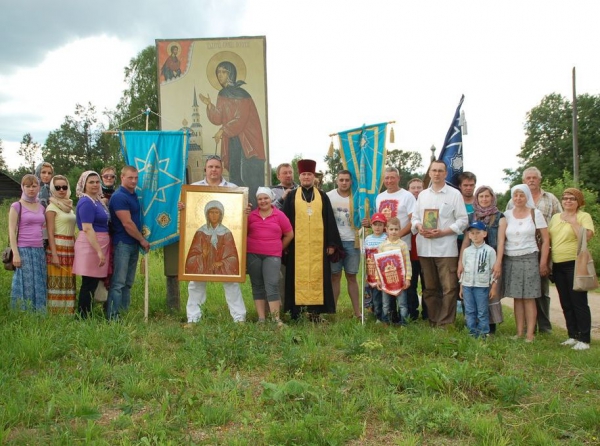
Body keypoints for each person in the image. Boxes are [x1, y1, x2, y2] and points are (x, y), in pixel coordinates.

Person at [185, 155, 247, 324]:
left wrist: (245, 209)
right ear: (205, 169)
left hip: (222, 262)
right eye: (210, 167)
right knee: (195, 283)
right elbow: (192, 256)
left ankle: (239, 318)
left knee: (232, 282)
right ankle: (193, 318)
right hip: (202, 263)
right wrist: (183, 206)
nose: (214, 170)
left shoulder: (233, 189)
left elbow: (232, 255)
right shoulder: (193, 189)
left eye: (217, 167)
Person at [199, 60, 266, 205]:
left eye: (223, 72)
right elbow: (219, 118)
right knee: (235, 176)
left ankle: (252, 209)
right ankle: (236, 209)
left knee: (248, 177)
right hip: (233, 139)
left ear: (231, 74)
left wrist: (222, 130)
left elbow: (240, 118)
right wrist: (209, 105)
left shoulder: (242, 94)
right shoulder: (222, 93)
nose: (220, 75)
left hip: (248, 142)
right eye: (218, 72)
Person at [282, 159, 342, 320]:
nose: (306, 177)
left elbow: (329, 220)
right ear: (299, 177)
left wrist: (331, 243)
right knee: (296, 277)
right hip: (297, 246)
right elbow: (285, 220)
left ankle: (315, 313)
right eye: (303, 174)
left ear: (314, 177)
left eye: (309, 174)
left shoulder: (322, 196)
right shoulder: (292, 196)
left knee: (318, 276)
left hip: (318, 246)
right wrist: (285, 244)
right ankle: (296, 312)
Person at [411, 160, 468, 327]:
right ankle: (434, 320)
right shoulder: (422, 195)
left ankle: (445, 323)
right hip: (425, 248)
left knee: (449, 288)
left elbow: (463, 220)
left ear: (445, 173)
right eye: (433, 170)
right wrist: (419, 226)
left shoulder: (454, 194)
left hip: (446, 249)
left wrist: (443, 231)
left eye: (440, 171)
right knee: (429, 288)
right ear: (429, 173)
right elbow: (414, 218)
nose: (436, 173)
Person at [507, 167, 561, 334]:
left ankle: (544, 327)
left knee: (540, 291)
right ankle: (523, 329)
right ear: (524, 181)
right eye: (528, 178)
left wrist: (546, 258)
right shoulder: (510, 206)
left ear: (539, 180)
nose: (531, 180)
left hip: (540, 250)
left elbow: (559, 221)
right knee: (520, 294)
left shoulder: (550, 199)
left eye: (534, 178)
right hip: (517, 253)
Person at [497, 184, 549, 342]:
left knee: (529, 297)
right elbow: (501, 240)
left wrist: (543, 262)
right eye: (515, 195)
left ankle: (530, 334)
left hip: (530, 257)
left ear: (527, 197)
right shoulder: (506, 214)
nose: (518, 198)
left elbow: (546, 240)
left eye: (522, 195)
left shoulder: (535, 213)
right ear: (512, 197)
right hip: (511, 258)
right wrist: (499, 262)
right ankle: (519, 332)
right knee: (517, 298)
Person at [548, 188, 595, 350]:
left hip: (575, 263)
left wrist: (573, 221)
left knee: (579, 302)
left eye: (572, 199)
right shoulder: (555, 218)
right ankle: (572, 335)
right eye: (565, 198)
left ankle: (584, 338)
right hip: (558, 264)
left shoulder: (583, 216)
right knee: (565, 301)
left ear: (578, 201)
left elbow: (586, 237)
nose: (568, 201)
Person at [458, 186, 506, 334]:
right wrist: (460, 262)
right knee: (472, 300)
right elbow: (466, 241)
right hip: (472, 259)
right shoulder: (473, 216)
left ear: (492, 197)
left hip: (490, 258)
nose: (484, 199)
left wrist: (498, 262)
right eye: (481, 196)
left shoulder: (499, 216)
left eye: (487, 196)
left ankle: (488, 329)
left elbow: (501, 241)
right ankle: (472, 329)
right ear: (476, 198)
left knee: (489, 296)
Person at [107, 166, 150, 320]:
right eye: (130, 178)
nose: (133, 181)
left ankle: (123, 312)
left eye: (136, 178)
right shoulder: (119, 197)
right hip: (122, 244)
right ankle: (113, 315)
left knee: (128, 282)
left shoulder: (133, 195)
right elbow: (127, 224)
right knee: (118, 282)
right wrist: (142, 240)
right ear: (122, 177)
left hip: (132, 244)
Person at [246, 187, 294, 326]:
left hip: (272, 255)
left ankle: (276, 319)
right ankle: (261, 318)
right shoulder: (251, 216)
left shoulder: (279, 215)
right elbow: (244, 232)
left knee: (272, 285)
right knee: (257, 286)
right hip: (253, 254)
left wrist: (279, 247)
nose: (263, 201)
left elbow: (289, 234)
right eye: (260, 199)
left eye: (265, 198)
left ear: (271, 199)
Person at [72, 171, 110, 318]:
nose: (95, 185)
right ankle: (82, 315)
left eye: (96, 182)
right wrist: (99, 251)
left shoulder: (97, 200)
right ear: (84, 184)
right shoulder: (86, 201)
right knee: (88, 282)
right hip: (91, 245)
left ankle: (87, 312)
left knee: (93, 282)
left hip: (101, 242)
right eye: (91, 182)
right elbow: (87, 228)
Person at [8, 174, 47, 311]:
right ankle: (22, 310)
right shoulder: (17, 206)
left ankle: (39, 311)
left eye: (34, 186)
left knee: (39, 280)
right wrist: (16, 253)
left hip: (38, 249)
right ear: (22, 187)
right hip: (23, 248)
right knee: (24, 281)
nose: (31, 189)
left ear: (38, 187)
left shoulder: (41, 206)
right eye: (28, 186)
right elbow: (11, 231)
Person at [328, 170, 361, 318]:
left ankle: (357, 312)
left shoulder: (358, 197)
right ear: (336, 181)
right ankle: (332, 311)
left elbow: (364, 215)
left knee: (351, 276)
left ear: (351, 181)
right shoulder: (329, 196)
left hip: (352, 241)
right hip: (335, 242)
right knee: (335, 276)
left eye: (347, 180)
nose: (344, 183)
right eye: (341, 180)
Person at [459, 221, 497, 338]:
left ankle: (483, 332)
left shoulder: (490, 251)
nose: (475, 235)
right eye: (472, 233)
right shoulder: (466, 251)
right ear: (469, 235)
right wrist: (461, 287)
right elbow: (463, 270)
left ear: (484, 234)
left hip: (482, 286)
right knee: (469, 310)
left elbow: (493, 271)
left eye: (478, 233)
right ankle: (471, 331)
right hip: (467, 286)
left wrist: (493, 286)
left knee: (482, 311)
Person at [45, 175, 77, 314]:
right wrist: (54, 254)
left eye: (64, 187)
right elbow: (50, 232)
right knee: (57, 279)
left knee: (69, 279)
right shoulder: (51, 207)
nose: (61, 190)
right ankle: (56, 312)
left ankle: (68, 310)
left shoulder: (69, 206)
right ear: (53, 189)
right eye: (58, 187)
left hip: (70, 245)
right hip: (57, 245)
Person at [376, 217, 412, 325]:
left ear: (399, 229)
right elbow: (378, 264)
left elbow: (407, 262)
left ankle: (404, 323)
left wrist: (408, 278)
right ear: (386, 230)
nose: (393, 232)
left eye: (396, 229)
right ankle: (386, 322)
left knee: (402, 304)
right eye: (391, 229)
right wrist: (378, 279)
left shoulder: (403, 245)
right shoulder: (382, 246)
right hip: (386, 280)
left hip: (400, 280)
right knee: (386, 303)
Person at [407, 177, 427, 320]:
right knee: (411, 285)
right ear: (409, 190)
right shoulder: (406, 205)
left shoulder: (428, 205)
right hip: (410, 252)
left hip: (426, 252)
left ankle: (428, 313)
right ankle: (411, 313)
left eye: (419, 187)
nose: (416, 190)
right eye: (413, 188)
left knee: (428, 285)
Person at [364, 213, 388, 322]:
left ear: (384, 227)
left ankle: (382, 315)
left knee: (382, 295)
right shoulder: (368, 238)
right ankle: (373, 312)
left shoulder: (386, 238)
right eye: (375, 224)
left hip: (382, 272)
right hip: (371, 271)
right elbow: (365, 255)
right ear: (371, 226)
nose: (377, 227)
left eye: (380, 225)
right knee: (372, 293)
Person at [456, 172, 477, 252]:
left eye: (471, 185)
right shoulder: (455, 202)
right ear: (460, 186)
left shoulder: (480, 203)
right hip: (456, 241)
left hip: (475, 242)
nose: (469, 188)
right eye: (465, 185)